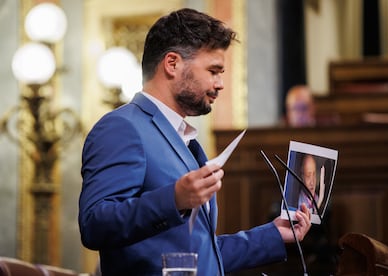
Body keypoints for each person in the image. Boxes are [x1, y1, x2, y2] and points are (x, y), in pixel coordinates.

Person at [78, 8, 311, 276]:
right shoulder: (122, 127)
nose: (221, 83)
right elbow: (94, 224)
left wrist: (272, 235)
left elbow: (199, 257)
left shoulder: (185, 140)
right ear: (172, 64)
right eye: (213, 70)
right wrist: (174, 198)